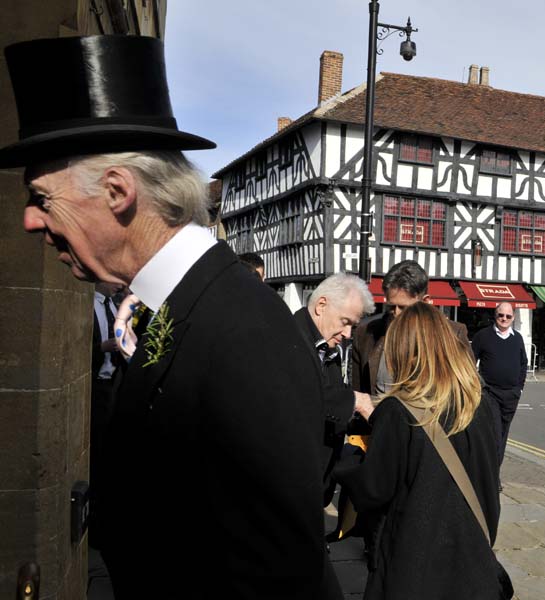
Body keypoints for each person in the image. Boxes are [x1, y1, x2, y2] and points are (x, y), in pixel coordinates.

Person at [4, 35, 339, 599]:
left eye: (42, 198)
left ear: (117, 192)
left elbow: (280, 576)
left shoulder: (241, 333)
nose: (30, 222)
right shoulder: (184, 305)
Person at [334, 302, 502, 600]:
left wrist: (349, 458)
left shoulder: (398, 412)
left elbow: (372, 490)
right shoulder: (480, 405)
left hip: (415, 568)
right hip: (473, 564)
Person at [293, 273, 376, 503]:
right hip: (291, 486)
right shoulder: (290, 337)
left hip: (316, 485)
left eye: (353, 325)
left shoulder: (327, 344)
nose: (348, 334)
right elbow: (301, 393)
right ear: (321, 305)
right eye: (345, 322)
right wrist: (355, 401)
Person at [351, 260, 472, 396]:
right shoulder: (366, 333)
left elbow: (469, 391)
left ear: (425, 301)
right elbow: (358, 394)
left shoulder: (453, 334)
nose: (396, 314)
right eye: (390, 306)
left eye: (404, 308)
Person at [471, 301, 528, 467]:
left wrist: (520, 388)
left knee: (503, 434)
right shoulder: (483, 336)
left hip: (511, 395)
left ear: (513, 317)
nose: (504, 318)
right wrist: (478, 387)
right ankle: (490, 475)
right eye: (500, 315)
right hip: (490, 393)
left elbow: (523, 363)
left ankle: (494, 474)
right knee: (495, 433)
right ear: (495, 315)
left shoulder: (517, 338)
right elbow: (469, 362)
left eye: (508, 316)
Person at [88, 281, 123, 551]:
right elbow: (79, 347)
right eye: (114, 280)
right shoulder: (90, 306)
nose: (119, 283)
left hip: (113, 385)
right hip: (96, 388)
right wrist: (103, 347)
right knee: (98, 454)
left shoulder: (112, 304)